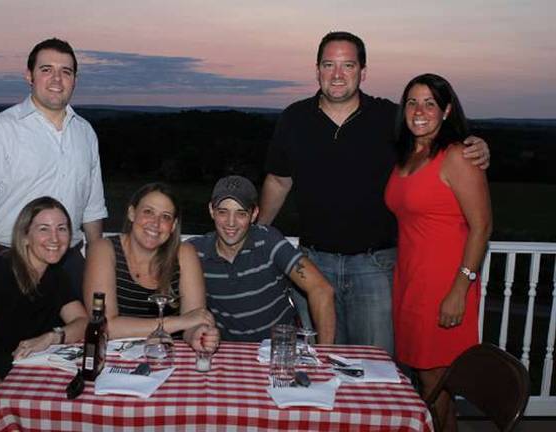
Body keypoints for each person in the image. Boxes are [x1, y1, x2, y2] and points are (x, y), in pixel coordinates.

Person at [259, 31, 490, 354]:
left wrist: (474, 144)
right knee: (320, 364)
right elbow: (279, 182)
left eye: (348, 65)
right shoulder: (294, 118)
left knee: (376, 368)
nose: (337, 75)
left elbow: (432, 134)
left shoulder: (389, 118)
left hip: (375, 267)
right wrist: (256, 235)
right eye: (329, 65)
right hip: (312, 266)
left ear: (362, 72)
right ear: (317, 70)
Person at [0, 37, 108, 299]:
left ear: (75, 80)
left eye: (66, 72)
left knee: (74, 337)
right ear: (29, 76)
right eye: (46, 69)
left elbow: (93, 209)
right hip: (10, 262)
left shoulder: (85, 132)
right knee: (6, 340)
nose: (57, 79)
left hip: (68, 265)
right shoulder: (0, 130)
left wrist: (96, 265)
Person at [385, 73, 491, 431]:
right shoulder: (408, 154)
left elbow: (482, 227)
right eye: (413, 102)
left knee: (436, 387)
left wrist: (460, 289)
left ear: (446, 110)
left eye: (430, 103)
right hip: (410, 282)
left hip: (444, 287)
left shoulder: (457, 155)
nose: (419, 110)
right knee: (425, 385)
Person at [0, 196, 89, 431]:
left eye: (62, 228)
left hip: (27, 377)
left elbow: (84, 322)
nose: (55, 238)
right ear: (24, 235)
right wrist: (7, 402)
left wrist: (52, 337)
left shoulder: (55, 275)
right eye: (44, 229)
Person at [189, 175, 335, 343]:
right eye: (223, 212)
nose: (231, 222)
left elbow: (322, 289)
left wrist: (324, 354)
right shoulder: (194, 253)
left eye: (241, 213)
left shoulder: (268, 241)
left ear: (254, 214)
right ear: (211, 211)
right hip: (228, 352)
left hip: (279, 350)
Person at [83, 183, 219, 352]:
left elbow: (194, 320)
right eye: (148, 212)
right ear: (132, 213)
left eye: (166, 217)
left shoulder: (185, 253)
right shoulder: (104, 249)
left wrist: (198, 334)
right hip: (114, 358)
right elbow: (105, 326)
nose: (155, 223)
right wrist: (174, 323)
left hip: (169, 356)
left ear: (174, 225)